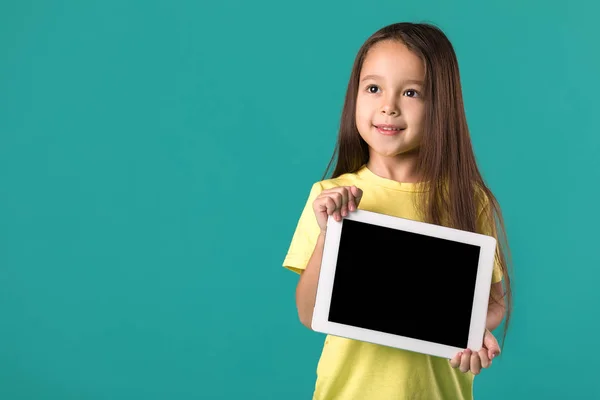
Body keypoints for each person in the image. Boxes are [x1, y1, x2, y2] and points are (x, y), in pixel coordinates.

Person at [281, 22, 513, 400]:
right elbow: (309, 314)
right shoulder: (329, 196)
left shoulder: (469, 200)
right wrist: (329, 232)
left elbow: (493, 301)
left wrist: (471, 333)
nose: (388, 105)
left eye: (411, 92)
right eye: (373, 88)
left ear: (442, 105)